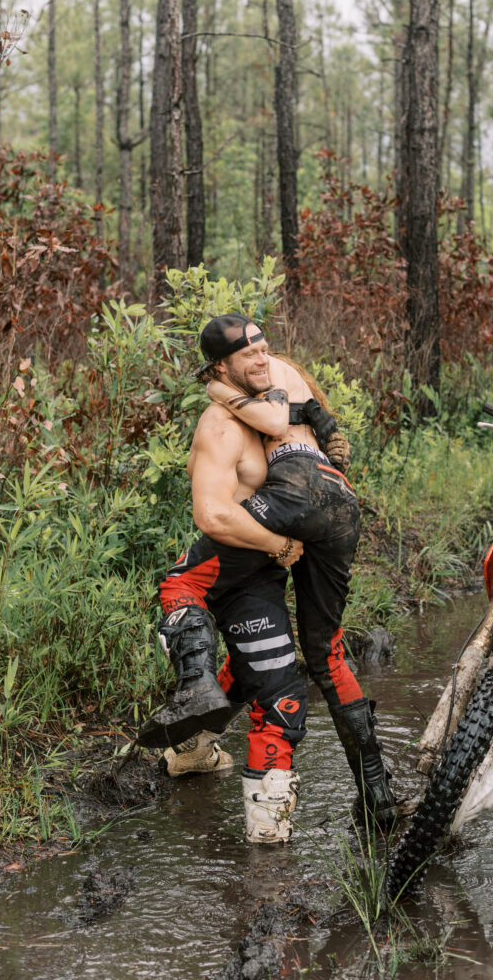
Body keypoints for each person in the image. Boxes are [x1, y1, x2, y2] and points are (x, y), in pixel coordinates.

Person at [137, 313, 395, 842]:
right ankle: (373, 795)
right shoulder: (234, 416)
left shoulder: (258, 392)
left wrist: (277, 543)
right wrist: (278, 544)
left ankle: (197, 693)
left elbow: (217, 515)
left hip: (269, 545)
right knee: (295, 663)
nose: (261, 358)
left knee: (184, 591)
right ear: (222, 365)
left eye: (263, 348)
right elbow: (217, 509)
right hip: (288, 541)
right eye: (247, 352)